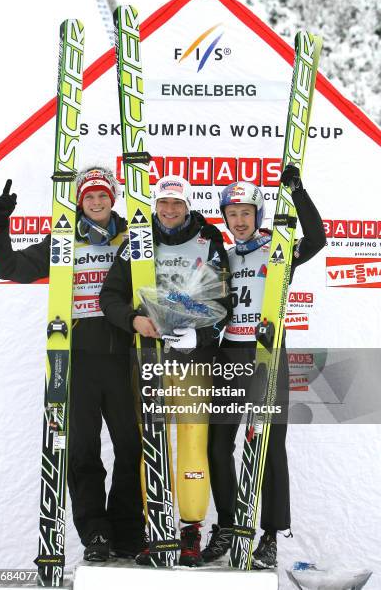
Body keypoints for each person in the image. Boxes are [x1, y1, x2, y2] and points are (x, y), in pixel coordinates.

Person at [0, 167, 145, 562]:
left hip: (126, 358)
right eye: (89, 196)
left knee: (132, 448)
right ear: (80, 201)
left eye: (103, 195)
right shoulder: (63, 240)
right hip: (77, 361)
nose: (96, 202)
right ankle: (95, 534)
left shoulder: (133, 237)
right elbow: (9, 268)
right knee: (82, 452)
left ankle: (127, 533)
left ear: (114, 197)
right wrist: (0, 222)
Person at [99, 175, 232, 567]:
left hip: (193, 359)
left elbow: (224, 298)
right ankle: (155, 530)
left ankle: (190, 532)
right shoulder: (138, 241)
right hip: (149, 358)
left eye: (177, 204)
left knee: (192, 442)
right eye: (164, 204)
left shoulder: (209, 240)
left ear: (187, 205)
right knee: (150, 444)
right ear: (155, 206)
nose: (170, 211)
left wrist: (200, 333)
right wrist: (133, 320)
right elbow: (109, 295)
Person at [202, 164, 326, 569]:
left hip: (268, 357)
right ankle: (227, 526)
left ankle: (270, 535)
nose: (239, 221)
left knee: (270, 447)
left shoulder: (277, 247)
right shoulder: (221, 256)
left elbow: (318, 239)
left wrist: (298, 192)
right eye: (232, 214)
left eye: (246, 213)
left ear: (258, 215)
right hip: (228, 357)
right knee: (218, 446)